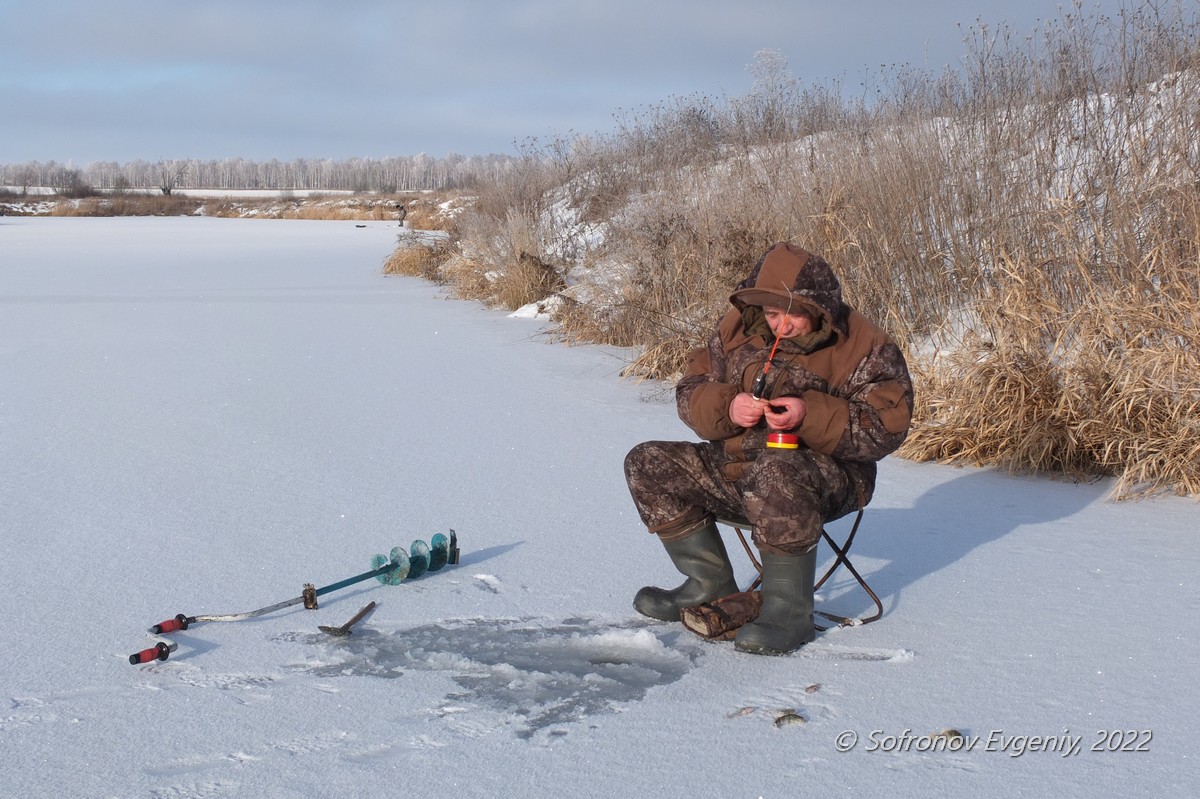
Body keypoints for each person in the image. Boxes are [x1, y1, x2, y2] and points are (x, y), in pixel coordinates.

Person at [624, 242, 913, 655]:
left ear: (820, 308)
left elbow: (888, 427)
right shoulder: (736, 328)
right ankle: (709, 584)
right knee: (648, 461)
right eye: (772, 314)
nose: (781, 325)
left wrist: (807, 414)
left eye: (792, 313)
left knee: (777, 470)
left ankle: (788, 610)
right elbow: (691, 390)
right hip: (737, 469)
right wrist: (728, 405)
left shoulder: (866, 345)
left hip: (825, 480)